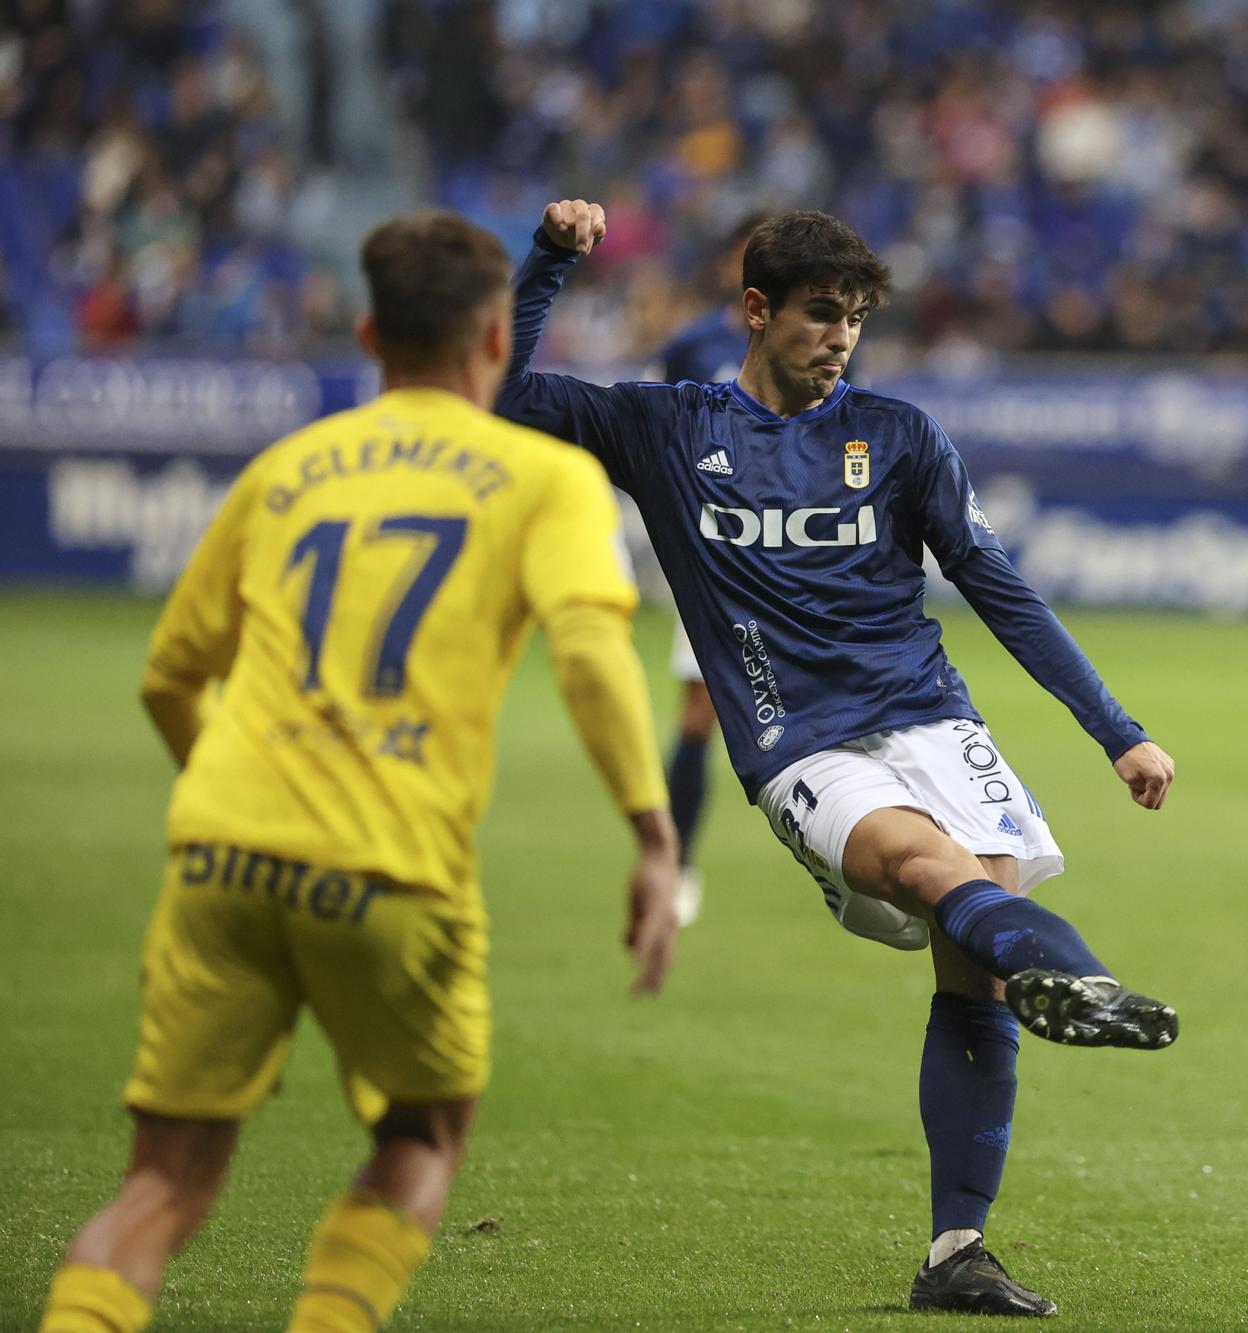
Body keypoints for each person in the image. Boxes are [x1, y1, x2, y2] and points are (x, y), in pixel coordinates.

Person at [498, 200, 1179, 1319]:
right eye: (822, 315)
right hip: (798, 740)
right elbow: (503, 393)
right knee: (920, 870)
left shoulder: (901, 436)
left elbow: (997, 587)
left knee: (975, 951)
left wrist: (1116, 729)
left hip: (930, 716)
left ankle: (954, 1252)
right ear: (757, 311)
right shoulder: (667, 428)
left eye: (855, 320)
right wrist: (547, 264)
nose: (840, 338)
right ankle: (1086, 979)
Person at [38, 210, 679, 1333]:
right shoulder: (542, 477)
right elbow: (586, 648)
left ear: (369, 333)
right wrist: (650, 828)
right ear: (495, 343)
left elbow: (166, 679)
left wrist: (237, 789)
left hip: (218, 850)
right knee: (422, 1135)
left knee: (163, 1183)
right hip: (388, 864)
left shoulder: (285, 471)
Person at [642, 213, 770, 928]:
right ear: (730, 265)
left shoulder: (819, 337)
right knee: (700, 713)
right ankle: (678, 861)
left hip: (803, 551)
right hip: (720, 553)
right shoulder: (693, 347)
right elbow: (653, 438)